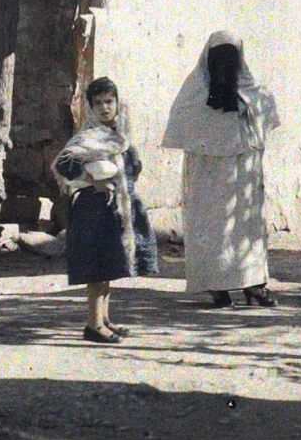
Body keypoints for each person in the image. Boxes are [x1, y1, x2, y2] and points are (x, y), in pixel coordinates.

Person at [164, 32, 282, 310]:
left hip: (244, 177)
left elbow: (266, 116)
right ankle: (216, 287)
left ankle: (254, 284)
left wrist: (247, 110)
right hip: (207, 178)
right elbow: (184, 125)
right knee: (210, 228)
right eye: (220, 57)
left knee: (247, 228)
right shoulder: (193, 95)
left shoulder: (253, 92)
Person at [55, 76, 158, 344]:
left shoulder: (121, 136)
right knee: (96, 268)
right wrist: (93, 180)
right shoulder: (88, 137)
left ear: (117, 103)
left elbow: (134, 167)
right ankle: (93, 324)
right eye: (98, 103)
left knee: (109, 266)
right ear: (90, 107)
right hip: (93, 210)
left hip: (116, 209)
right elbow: (63, 165)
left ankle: (105, 319)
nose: (104, 108)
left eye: (109, 102)